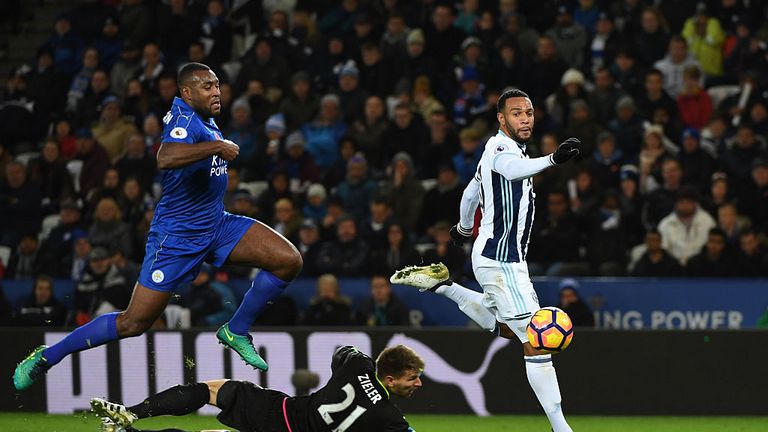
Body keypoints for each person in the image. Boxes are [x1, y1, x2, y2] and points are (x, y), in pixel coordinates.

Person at [14, 63, 302, 391]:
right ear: (186, 92)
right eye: (207, 87)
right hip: (176, 239)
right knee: (133, 323)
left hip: (216, 225)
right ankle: (47, 357)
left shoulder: (204, 119)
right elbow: (165, 157)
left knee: (287, 260)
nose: (216, 91)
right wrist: (218, 147)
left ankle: (236, 330)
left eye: (217, 85)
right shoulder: (183, 120)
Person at [391, 88, 579, 432]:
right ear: (501, 118)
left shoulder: (494, 150)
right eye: (517, 113)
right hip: (502, 260)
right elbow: (511, 171)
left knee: (508, 328)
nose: (525, 119)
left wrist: (463, 228)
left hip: (497, 257)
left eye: (529, 113)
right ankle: (561, 428)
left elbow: (471, 192)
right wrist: (554, 160)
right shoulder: (503, 150)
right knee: (536, 341)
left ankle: (444, 286)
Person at [91, 344, 423, 432]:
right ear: (391, 380)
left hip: (283, 416)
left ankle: (132, 414)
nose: (419, 383)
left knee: (213, 390)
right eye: (413, 377)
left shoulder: (357, 366)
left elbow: (343, 353)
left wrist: (363, 364)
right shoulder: (389, 417)